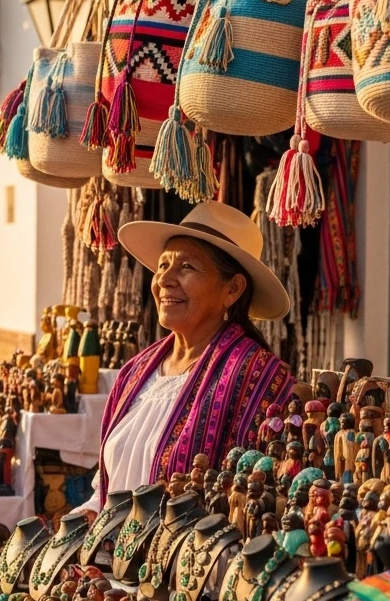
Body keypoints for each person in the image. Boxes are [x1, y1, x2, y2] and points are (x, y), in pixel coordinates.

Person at [73, 202, 296, 516]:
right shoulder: (135, 373)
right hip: (110, 558)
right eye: (163, 265)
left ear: (232, 289)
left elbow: (258, 502)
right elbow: (107, 490)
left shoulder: (257, 376)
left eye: (187, 267)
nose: (164, 279)